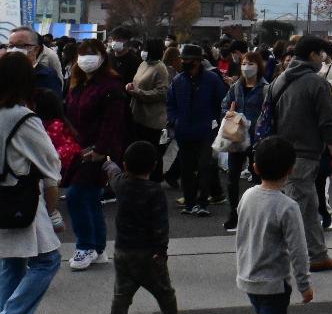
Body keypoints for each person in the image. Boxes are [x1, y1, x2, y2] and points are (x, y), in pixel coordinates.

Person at [0, 51, 63, 314]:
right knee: (47, 262)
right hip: (24, 201)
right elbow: (52, 164)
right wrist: (53, 209)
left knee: (10, 265)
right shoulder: (25, 118)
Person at [234, 136, 313, 314]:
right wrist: (304, 284)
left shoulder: (247, 196)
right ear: (291, 169)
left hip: (248, 275)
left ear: (255, 167)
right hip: (273, 280)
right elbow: (299, 250)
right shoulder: (287, 206)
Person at [269, 35, 332, 273]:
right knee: (296, 209)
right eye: (321, 54)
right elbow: (327, 123)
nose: (323, 58)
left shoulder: (280, 80)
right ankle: (273, 256)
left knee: (308, 205)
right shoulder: (317, 83)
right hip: (304, 154)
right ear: (313, 55)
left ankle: (317, 254)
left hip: (280, 150)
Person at [107, 140, 190, 314]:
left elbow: (113, 173)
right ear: (154, 165)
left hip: (122, 250)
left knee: (121, 294)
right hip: (148, 252)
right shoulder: (154, 191)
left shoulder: (121, 184)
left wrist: (107, 163)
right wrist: (161, 250)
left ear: (125, 165)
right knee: (164, 291)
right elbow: (160, 225)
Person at [62, 39, 129, 269]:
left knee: (76, 195)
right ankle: (98, 248)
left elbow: (114, 123)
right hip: (76, 150)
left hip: (99, 152)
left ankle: (85, 246)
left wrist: (101, 150)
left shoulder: (111, 86)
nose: (87, 58)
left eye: (92, 53)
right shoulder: (76, 84)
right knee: (90, 198)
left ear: (102, 57)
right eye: (83, 53)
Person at [166, 44, 226, 217]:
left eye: (187, 59)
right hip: (184, 130)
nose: (184, 62)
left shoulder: (212, 79)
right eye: (182, 59)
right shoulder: (178, 80)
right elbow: (170, 103)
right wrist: (174, 120)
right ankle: (190, 202)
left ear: (199, 61)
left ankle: (203, 202)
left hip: (206, 130)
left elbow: (221, 102)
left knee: (204, 166)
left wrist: (216, 123)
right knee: (186, 169)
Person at [220, 51, 271, 231]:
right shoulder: (236, 86)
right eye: (243, 63)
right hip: (237, 135)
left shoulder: (266, 88)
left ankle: (256, 216)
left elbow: (269, 113)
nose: (246, 67)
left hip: (258, 138)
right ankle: (233, 213)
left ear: (259, 66)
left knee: (258, 178)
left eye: (250, 64)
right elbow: (225, 104)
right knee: (232, 177)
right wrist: (228, 112)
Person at [124, 42, 171, 172]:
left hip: (151, 117)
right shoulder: (143, 64)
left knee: (151, 149)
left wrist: (139, 93)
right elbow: (138, 82)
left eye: (146, 50)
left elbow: (162, 93)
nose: (142, 52)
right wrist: (131, 86)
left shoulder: (160, 68)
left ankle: (155, 176)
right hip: (137, 113)